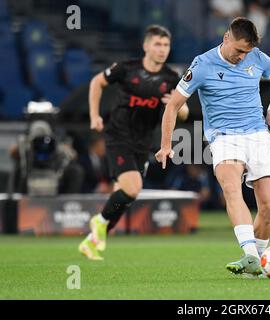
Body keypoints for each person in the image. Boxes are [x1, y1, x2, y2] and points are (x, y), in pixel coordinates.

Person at [156, 17, 270, 277]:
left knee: (268, 205)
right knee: (231, 187)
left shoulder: (257, 57)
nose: (242, 57)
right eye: (239, 50)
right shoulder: (202, 64)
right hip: (224, 137)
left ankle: (255, 265)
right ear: (226, 38)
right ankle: (249, 253)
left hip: (258, 135)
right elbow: (173, 105)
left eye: (246, 52)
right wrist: (165, 145)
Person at [78, 25, 189, 260]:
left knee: (125, 195)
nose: (162, 50)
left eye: (166, 45)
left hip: (143, 142)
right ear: (146, 46)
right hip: (118, 136)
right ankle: (98, 221)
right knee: (132, 187)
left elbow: (185, 112)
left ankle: (92, 241)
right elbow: (97, 82)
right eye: (157, 44)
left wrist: (176, 105)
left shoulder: (170, 78)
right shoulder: (126, 69)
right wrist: (94, 115)